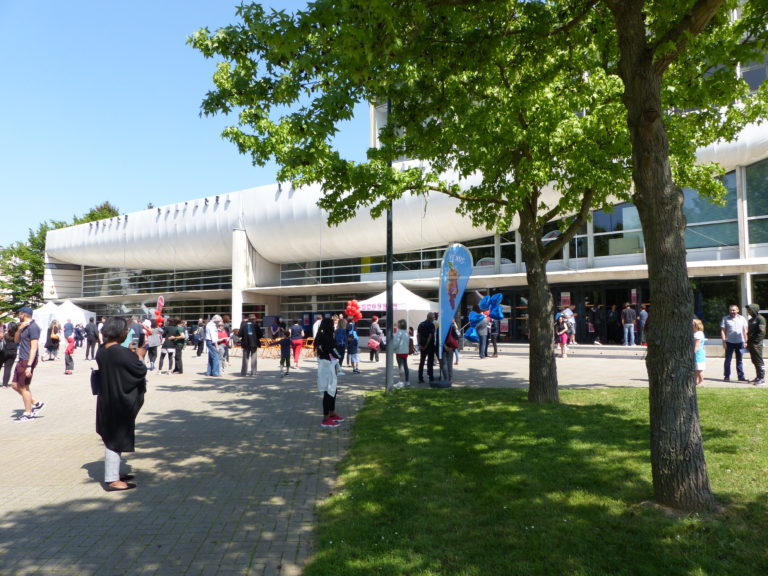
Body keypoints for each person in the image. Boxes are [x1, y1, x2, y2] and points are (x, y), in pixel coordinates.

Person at [95, 316, 147, 491]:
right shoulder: (120, 352)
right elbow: (139, 370)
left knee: (112, 436)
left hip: (106, 398)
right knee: (115, 439)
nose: (126, 333)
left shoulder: (102, 350)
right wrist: (139, 356)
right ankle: (112, 480)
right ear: (119, 332)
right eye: (125, 330)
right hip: (119, 400)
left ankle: (115, 473)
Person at [12, 306, 45, 422]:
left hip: (27, 360)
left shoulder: (33, 327)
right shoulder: (23, 327)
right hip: (21, 359)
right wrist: (19, 329)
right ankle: (36, 403)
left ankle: (28, 413)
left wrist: (29, 366)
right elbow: (16, 341)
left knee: (23, 387)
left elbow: (34, 347)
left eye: (19, 314)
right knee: (15, 385)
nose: (18, 316)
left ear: (24, 314)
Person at [313, 317, 344, 428]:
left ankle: (332, 413)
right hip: (327, 366)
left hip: (327, 365)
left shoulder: (321, 335)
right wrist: (340, 356)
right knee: (328, 391)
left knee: (333, 390)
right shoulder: (326, 337)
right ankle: (326, 418)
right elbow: (333, 350)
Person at [720, 304, 748, 382]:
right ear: (729, 311)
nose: (732, 312)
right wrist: (724, 342)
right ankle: (726, 376)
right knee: (728, 360)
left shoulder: (742, 318)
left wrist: (746, 341)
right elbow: (722, 331)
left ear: (738, 310)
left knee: (739, 360)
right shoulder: (725, 319)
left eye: (734, 310)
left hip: (740, 342)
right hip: (729, 342)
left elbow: (745, 331)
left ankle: (741, 376)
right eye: (731, 310)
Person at [746, 303, 766, 386]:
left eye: (750, 309)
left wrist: (755, 342)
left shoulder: (760, 319)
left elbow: (762, 332)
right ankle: (757, 377)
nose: (748, 311)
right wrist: (748, 343)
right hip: (751, 344)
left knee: (759, 361)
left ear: (754, 309)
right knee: (754, 361)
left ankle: (761, 378)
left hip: (757, 344)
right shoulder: (751, 320)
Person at [417, 312, 436, 383]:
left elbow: (418, 335)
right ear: (431, 318)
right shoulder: (431, 325)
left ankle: (420, 378)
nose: (434, 318)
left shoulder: (421, 324)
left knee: (422, 361)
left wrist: (419, 344)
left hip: (422, 345)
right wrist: (426, 346)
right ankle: (431, 378)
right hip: (429, 346)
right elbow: (430, 336)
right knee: (430, 362)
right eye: (433, 317)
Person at [440, 318, 460, 383]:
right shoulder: (452, 326)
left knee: (444, 364)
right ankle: (449, 378)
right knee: (449, 363)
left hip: (443, 347)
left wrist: (444, 346)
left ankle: (445, 378)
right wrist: (452, 347)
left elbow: (439, 337)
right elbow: (457, 337)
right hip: (450, 347)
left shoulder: (441, 327)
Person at [392, 319, 411, 386]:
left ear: (400, 325)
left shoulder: (398, 332)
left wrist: (392, 348)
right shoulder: (406, 332)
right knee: (405, 366)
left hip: (400, 351)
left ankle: (401, 381)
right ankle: (407, 381)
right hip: (405, 351)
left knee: (401, 366)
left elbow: (396, 342)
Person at [2, 322, 19, 388]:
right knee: (8, 368)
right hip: (13, 352)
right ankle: (5, 384)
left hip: (4, 352)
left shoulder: (6, 335)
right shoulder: (17, 336)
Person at [693, 318, 706, 386]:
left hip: (698, 354)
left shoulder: (698, 334)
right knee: (695, 370)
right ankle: (696, 382)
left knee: (699, 369)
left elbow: (697, 345)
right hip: (698, 353)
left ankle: (701, 382)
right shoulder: (696, 333)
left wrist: (693, 353)